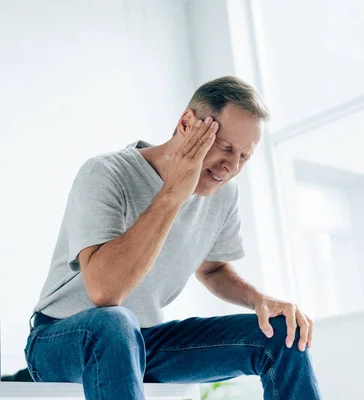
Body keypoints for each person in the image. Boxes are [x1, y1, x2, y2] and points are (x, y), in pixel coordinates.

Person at [24, 76, 321, 400]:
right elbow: (104, 291)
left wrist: (258, 300)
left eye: (244, 156)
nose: (231, 166)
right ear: (186, 124)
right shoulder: (105, 173)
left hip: (144, 340)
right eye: (225, 147)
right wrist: (172, 194)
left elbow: (212, 270)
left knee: (280, 335)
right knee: (113, 324)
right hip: (61, 338)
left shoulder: (223, 195)